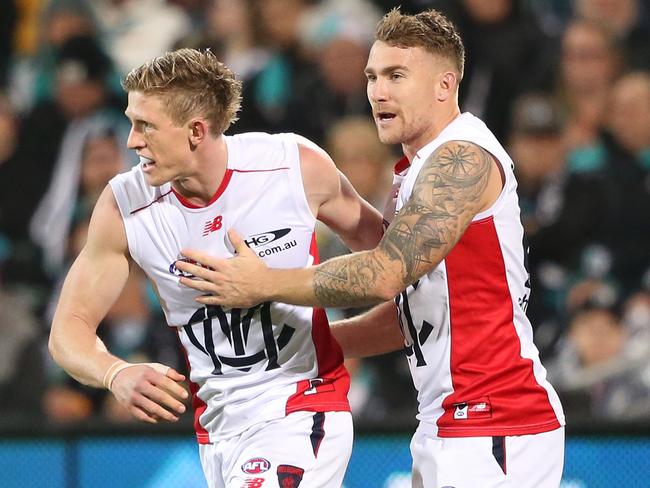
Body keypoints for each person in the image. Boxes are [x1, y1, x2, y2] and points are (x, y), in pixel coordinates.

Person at [177, 8, 566, 488]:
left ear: (444, 86)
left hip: (498, 418)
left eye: (397, 76)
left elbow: (386, 274)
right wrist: (306, 349)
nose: (378, 91)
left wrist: (264, 284)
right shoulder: (416, 173)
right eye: (372, 76)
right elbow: (416, 313)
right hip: (452, 419)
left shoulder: (462, 157)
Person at [48, 48, 384, 487]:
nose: (131, 141)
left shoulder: (291, 168)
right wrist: (116, 373)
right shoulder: (125, 206)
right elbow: (67, 330)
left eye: (145, 125)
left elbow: (393, 263)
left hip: (300, 407)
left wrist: (280, 292)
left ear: (195, 131)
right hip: (218, 430)